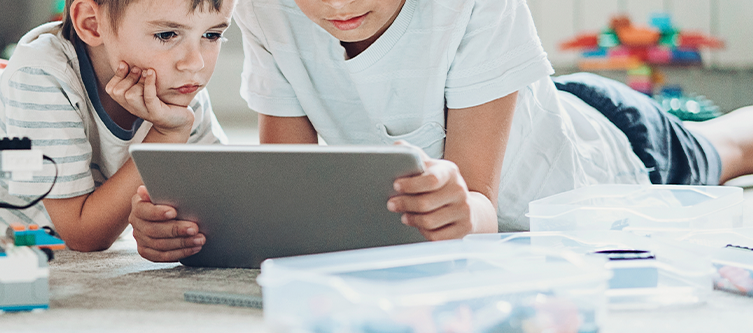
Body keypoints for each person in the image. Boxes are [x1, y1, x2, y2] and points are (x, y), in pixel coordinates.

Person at [128, 0, 753, 262]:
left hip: (610, 145)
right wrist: (194, 228)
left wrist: (460, 210)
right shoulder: (267, 11)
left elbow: (479, 202)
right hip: (530, 104)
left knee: (731, 147)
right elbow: (285, 189)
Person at [0, 0, 235, 252]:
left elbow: (224, 200)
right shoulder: (40, 77)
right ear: (91, 23)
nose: (195, 63)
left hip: (11, 95)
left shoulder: (177, 85)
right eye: (168, 35)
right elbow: (83, 233)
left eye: (213, 35)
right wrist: (166, 136)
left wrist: (161, 225)